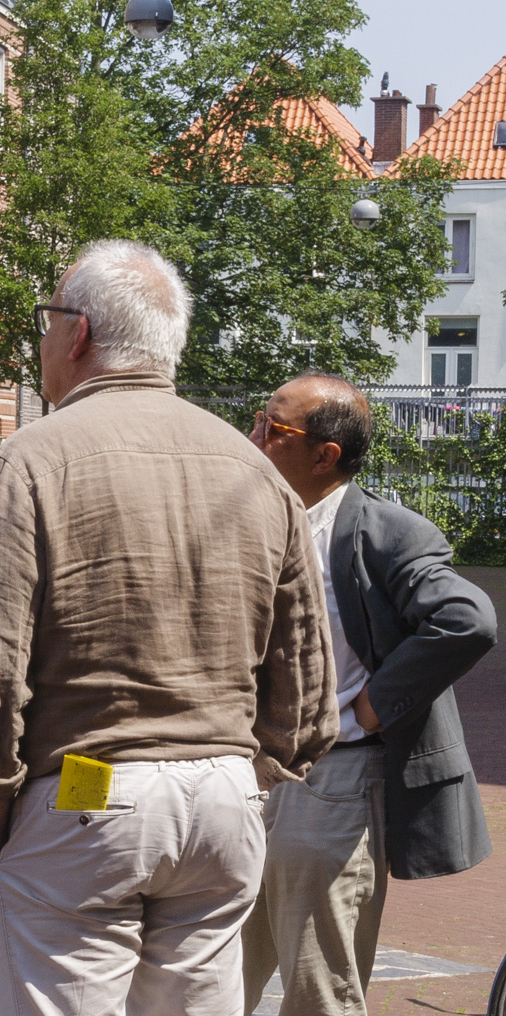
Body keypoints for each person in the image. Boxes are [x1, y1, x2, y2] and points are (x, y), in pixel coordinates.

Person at [0, 239, 337, 1016]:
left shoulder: (31, 458)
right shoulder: (257, 470)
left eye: (47, 321)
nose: (41, 340)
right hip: (221, 798)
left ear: (78, 333)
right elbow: (306, 681)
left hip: (89, 792)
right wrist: (247, 775)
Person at [241, 373, 496, 1016]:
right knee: (212, 971)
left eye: (275, 428)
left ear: (326, 455)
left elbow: (466, 619)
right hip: (237, 777)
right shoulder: (243, 517)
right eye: (257, 419)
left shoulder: (382, 531)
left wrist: (371, 707)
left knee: (316, 985)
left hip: (330, 784)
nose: (254, 435)